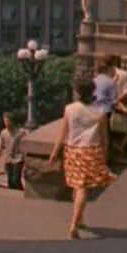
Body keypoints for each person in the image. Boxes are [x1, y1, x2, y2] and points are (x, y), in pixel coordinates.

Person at [49, 75, 115, 240]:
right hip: (92, 151)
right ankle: (78, 219)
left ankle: (74, 223)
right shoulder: (100, 112)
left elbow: (63, 133)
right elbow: (105, 139)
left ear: (78, 91)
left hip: (73, 151)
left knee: (78, 187)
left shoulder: (70, 109)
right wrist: (104, 158)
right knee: (81, 188)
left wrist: (54, 153)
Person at [0, 112, 26, 190]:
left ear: (12, 121)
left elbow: (25, 146)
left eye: (8, 121)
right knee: (10, 181)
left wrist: (26, 160)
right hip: (8, 159)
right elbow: (0, 147)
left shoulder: (20, 132)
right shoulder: (3, 133)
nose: (6, 123)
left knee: (16, 180)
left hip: (18, 159)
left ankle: (20, 192)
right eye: (5, 121)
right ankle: (13, 195)